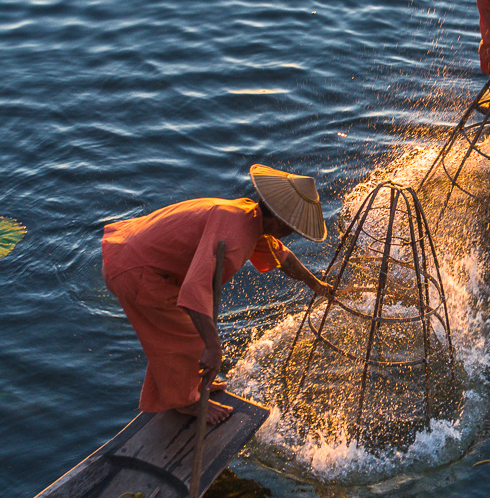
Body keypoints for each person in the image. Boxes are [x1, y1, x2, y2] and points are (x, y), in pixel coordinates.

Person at [102, 164, 335, 424]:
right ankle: (187, 403)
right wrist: (213, 347)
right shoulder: (237, 239)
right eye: (293, 227)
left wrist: (316, 285)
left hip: (130, 252)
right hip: (135, 271)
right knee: (191, 338)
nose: (293, 233)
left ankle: (189, 385)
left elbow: (282, 257)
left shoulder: (247, 213)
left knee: (182, 333)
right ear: (280, 222)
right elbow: (194, 289)